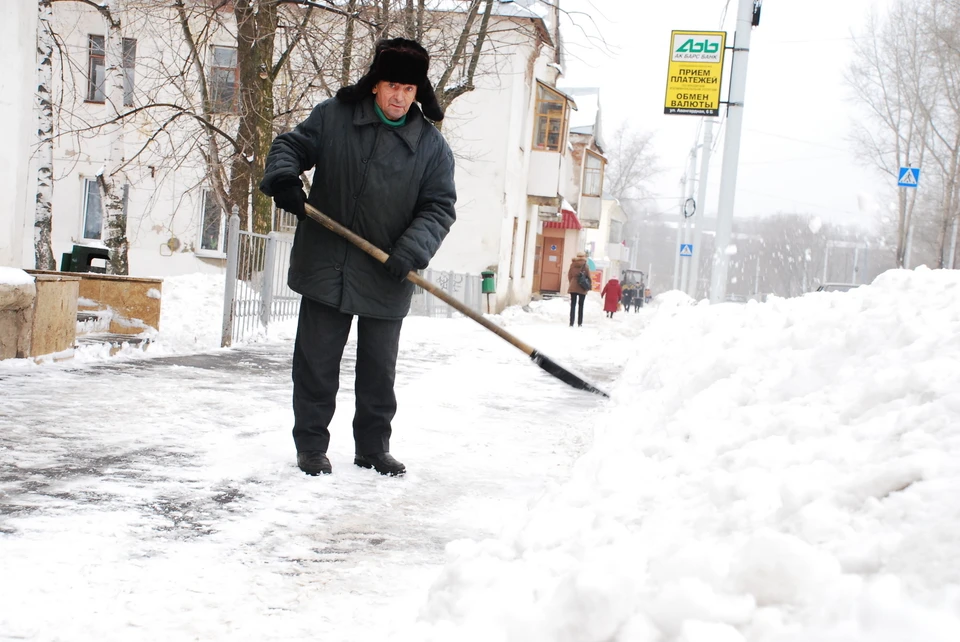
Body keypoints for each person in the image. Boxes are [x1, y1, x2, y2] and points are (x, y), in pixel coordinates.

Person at [259, 38, 457, 477]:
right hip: (326, 263)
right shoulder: (334, 117)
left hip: (388, 272)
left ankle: (372, 447)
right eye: (391, 85)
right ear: (374, 85)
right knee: (316, 364)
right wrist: (285, 177)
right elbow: (290, 146)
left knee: (378, 373)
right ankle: (311, 446)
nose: (398, 96)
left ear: (417, 92)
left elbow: (439, 208)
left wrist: (410, 250)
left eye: (407, 89)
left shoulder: (431, 148)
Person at [567, 251, 591, 327]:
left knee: (573, 305)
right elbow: (588, 277)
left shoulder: (572, 265)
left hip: (573, 286)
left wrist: (572, 282)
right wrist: (589, 286)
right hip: (582, 287)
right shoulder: (586, 266)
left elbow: (569, 275)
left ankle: (571, 323)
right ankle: (579, 323)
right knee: (581, 305)